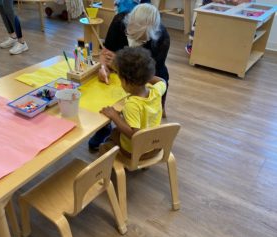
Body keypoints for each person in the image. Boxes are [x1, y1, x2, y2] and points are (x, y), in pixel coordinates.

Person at [88, 3, 170, 151]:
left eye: (141, 39)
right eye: (131, 35)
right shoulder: (119, 21)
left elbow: (154, 73)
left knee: (116, 109)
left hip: (138, 77)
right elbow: (106, 52)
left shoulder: (162, 37)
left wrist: (115, 117)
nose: (135, 41)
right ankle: (104, 128)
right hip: (133, 76)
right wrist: (104, 68)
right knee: (107, 96)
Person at [99, 47, 166, 158]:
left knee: (108, 141)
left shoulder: (132, 104)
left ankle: (107, 170)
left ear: (125, 81)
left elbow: (134, 134)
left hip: (136, 151)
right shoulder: (157, 90)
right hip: (155, 145)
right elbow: (162, 81)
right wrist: (144, 76)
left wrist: (115, 116)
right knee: (116, 132)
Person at [185, 0, 252, 54]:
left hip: (224, 7)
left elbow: (246, 1)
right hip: (207, 4)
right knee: (202, 27)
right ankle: (194, 45)